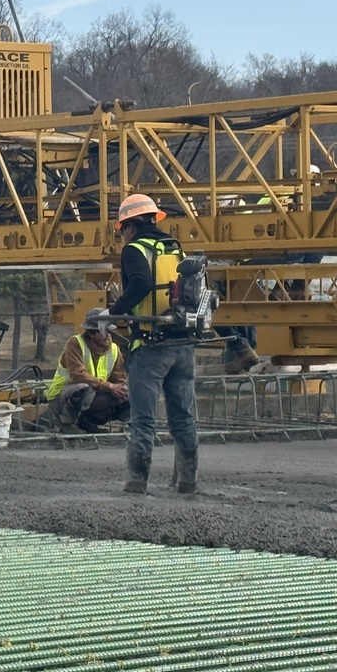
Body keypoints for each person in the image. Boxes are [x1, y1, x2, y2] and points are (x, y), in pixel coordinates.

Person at [108, 193, 200, 496]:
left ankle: (137, 483)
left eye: (122, 228)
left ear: (131, 225)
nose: (122, 235)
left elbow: (141, 283)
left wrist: (114, 312)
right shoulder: (174, 248)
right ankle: (186, 482)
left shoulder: (134, 250)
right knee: (183, 418)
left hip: (150, 345)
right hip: (182, 343)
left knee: (143, 421)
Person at [45, 307, 130, 434]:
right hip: (61, 400)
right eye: (103, 331)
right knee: (83, 388)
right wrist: (109, 386)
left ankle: (88, 423)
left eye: (109, 330)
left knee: (129, 392)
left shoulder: (113, 349)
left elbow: (119, 379)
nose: (108, 335)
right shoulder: (75, 344)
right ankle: (67, 426)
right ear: (91, 333)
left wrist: (122, 389)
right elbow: (77, 375)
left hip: (92, 399)